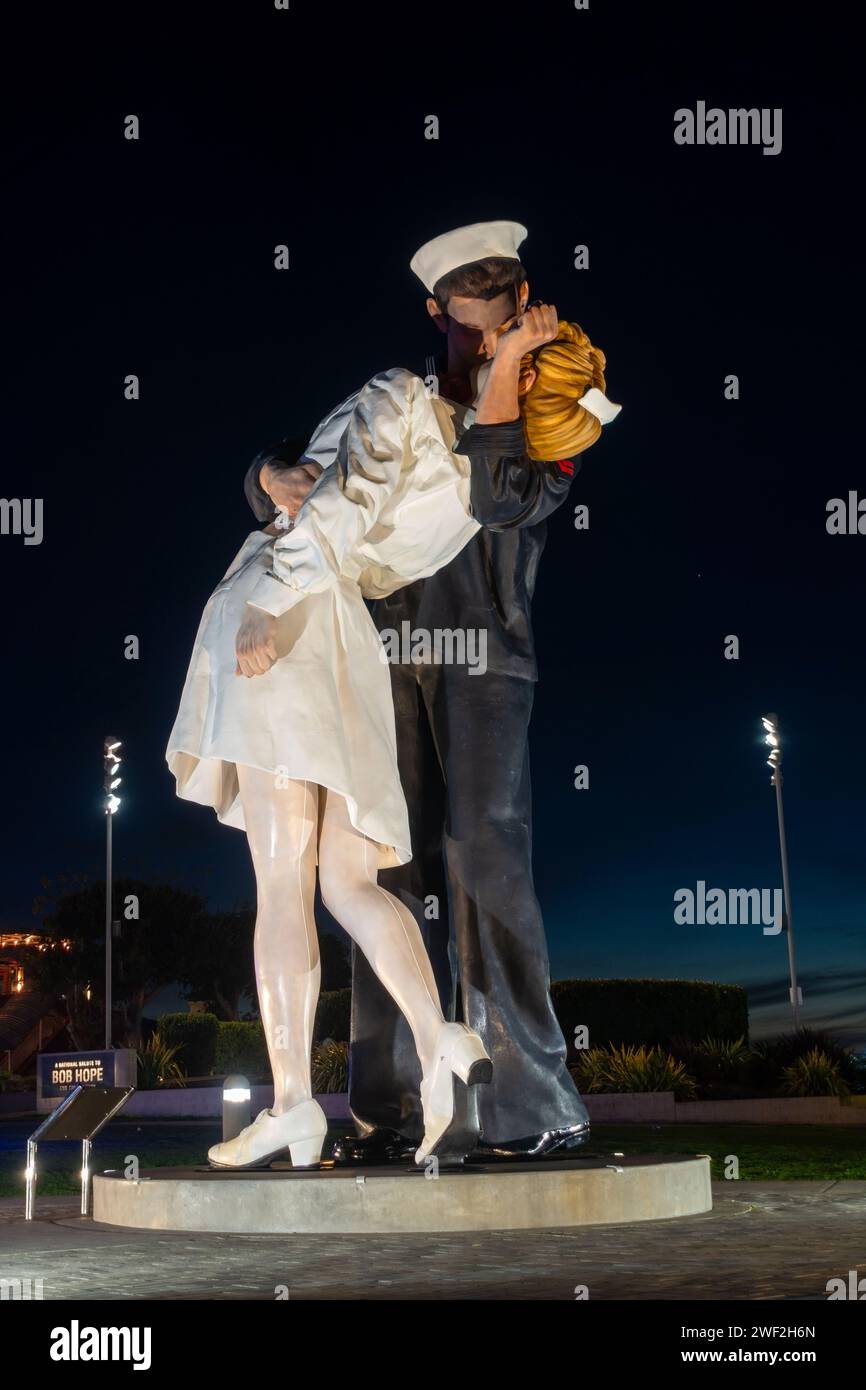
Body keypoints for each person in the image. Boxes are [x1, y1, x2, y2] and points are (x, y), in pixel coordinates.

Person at [243, 219, 622, 1163]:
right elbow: (296, 473)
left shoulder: (556, 404)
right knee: (378, 874)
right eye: (471, 330)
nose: (489, 345)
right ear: (437, 315)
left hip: (486, 659)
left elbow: (503, 499)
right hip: (374, 657)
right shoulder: (391, 396)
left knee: (484, 857)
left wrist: (507, 383)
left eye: (504, 326)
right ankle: (390, 1111)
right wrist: (264, 475)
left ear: (523, 311)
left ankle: (534, 1105)